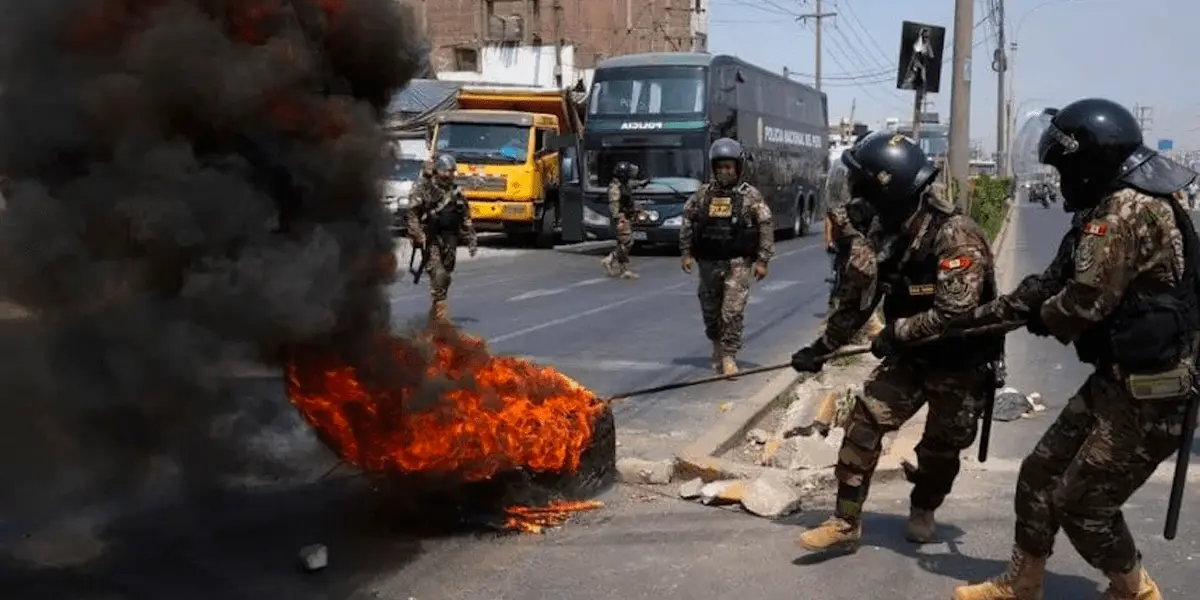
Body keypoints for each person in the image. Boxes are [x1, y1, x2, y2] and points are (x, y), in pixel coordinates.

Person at [950, 99, 1199, 600]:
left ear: (1088, 161)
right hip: (1119, 378)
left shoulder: (1125, 210)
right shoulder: (1109, 202)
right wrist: (976, 320)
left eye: (1064, 166)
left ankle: (1136, 590)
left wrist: (1042, 318)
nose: (1061, 178)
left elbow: (1082, 303)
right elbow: (1052, 281)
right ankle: (1024, 581)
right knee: (1039, 472)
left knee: (1084, 505)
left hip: (1153, 391)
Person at [789, 132, 1003, 550]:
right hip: (909, 358)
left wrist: (895, 334)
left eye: (861, 187)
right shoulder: (882, 230)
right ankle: (846, 521)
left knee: (941, 451)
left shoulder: (956, 236)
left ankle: (924, 506)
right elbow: (858, 300)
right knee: (864, 422)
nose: (853, 196)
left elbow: (953, 313)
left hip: (959, 362)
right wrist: (822, 350)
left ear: (889, 189)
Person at [679, 138, 774, 375]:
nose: (724, 171)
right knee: (710, 312)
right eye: (720, 166)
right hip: (708, 263)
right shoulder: (703, 195)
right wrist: (686, 252)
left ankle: (730, 356)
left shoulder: (751, 196)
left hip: (737, 264)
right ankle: (717, 346)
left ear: (738, 168)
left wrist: (762, 260)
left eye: (729, 167)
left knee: (732, 312)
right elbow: (688, 220)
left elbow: (765, 226)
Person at [405, 153, 477, 322]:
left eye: (452, 172)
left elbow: (465, 217)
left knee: (446, 275)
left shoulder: (457, 193)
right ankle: (440, 317)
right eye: (446, 171)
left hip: (450, 239)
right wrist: (418, 234)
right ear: (437, 171)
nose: (449, 175)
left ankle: (436, 308)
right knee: (438, 275)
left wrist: (471, 239)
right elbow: (412, 213)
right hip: (432, 239)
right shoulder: (426, 190)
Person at [601, 161, 642, 279]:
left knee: (623, 243)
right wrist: (620, 218)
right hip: (621, 218)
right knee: (627, 242)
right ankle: (620, 266)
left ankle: (612, 261)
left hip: (625, 216)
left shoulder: (623, 185)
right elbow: (614, 206)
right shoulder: (615, 188)